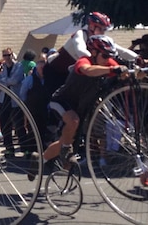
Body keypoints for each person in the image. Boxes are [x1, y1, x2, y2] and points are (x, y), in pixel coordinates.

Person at [33, 35, 130, 177]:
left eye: (109, 56)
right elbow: (87, 70)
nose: (107, 60)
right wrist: (112, 70)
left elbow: (124, 74)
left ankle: (39, 161)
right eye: (104, 55)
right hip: (62, 101)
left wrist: (143, 68)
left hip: (81, 108)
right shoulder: (84, 61)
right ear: (94, 53)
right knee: (73, 122)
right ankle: (66, 151)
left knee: (64, 140)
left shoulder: (107, 63)